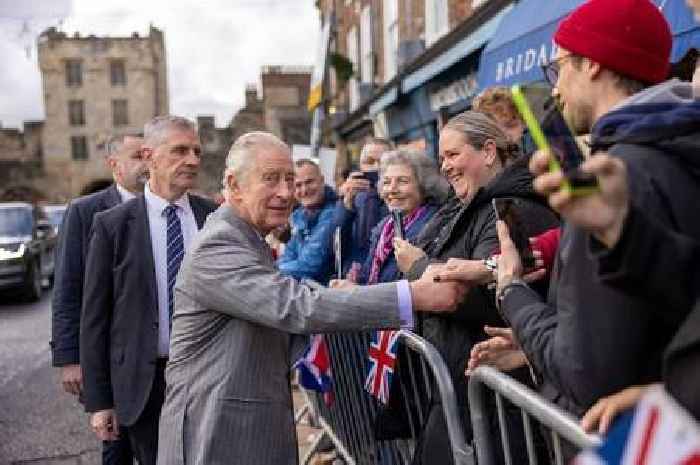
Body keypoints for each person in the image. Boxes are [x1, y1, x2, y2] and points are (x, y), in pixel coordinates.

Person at [155, 131, 467, 465]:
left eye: (289, 179)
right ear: (233, 185)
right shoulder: (219, 244)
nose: (286, 192)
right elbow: (294, 305)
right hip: (218, 436)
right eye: (271, 180)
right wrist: (411, 295)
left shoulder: (246, 236)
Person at [492, 0, 700, 424]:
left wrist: (512, 292)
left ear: (591, 64)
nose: (554, 90)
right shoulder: (680, 144)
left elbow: (586, 371)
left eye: (558, 68)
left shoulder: (614, 178)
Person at [393, 111, 558, 465]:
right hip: (462, 394)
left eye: (454, 155)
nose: (446, 167)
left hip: (499, 407)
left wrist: (420, 268)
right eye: (441, 159)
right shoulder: (464, 206)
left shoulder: (512, 208)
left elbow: (493, 296)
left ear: (488, 151)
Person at [80, 116, 217, 465]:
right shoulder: (112, 226)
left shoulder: (215, 219)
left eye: (197, 151)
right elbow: (96, 317)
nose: (193, 160)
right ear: (149, 155)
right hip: (144, 383)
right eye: (180, 151)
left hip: (208, 377)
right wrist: (99, 402)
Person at [51, 133, 146, 465]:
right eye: (137, 156)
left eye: (149, 154)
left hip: (153, 356)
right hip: (108, 355)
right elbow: (68, 285)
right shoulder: (85, 212)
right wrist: (69, 358)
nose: (146, 163)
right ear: (114, 165)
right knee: (117, 443)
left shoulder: (164, 210)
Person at [350, 149, 448, 285]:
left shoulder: (436, 225)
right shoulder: (384, 227)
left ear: (424, 186)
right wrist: (356, 281)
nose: (392, 189)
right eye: (386, 182)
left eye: (402, 181)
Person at [334, 137, 393, 276]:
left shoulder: (398, 198)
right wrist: (346, 205)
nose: (376, 167)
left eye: (382, 162)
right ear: (360, 167)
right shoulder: (351, 199)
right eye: (369, 162)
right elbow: (334, 246)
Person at [277, 159, 337, 283]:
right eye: (298, 185)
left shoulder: (334, 214)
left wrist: (270, 272)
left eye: (309, 182)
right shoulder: (298, 215)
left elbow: (310, 265)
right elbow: (288, 255)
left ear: (322, 180)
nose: (304, 190)